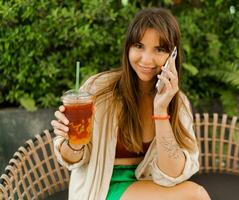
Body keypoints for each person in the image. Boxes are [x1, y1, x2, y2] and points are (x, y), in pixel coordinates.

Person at [51, 7, 211, 200]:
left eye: (159, 49)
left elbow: (173, 174)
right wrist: (73, 142)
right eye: (139, 46)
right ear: (128, 47)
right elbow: (71, 160)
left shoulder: (178, 102)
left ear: (172, 56)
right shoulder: (98, 90)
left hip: (146, 184)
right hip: (101, 186)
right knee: (196, 196)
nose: (146, 59)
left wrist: (160, 109)